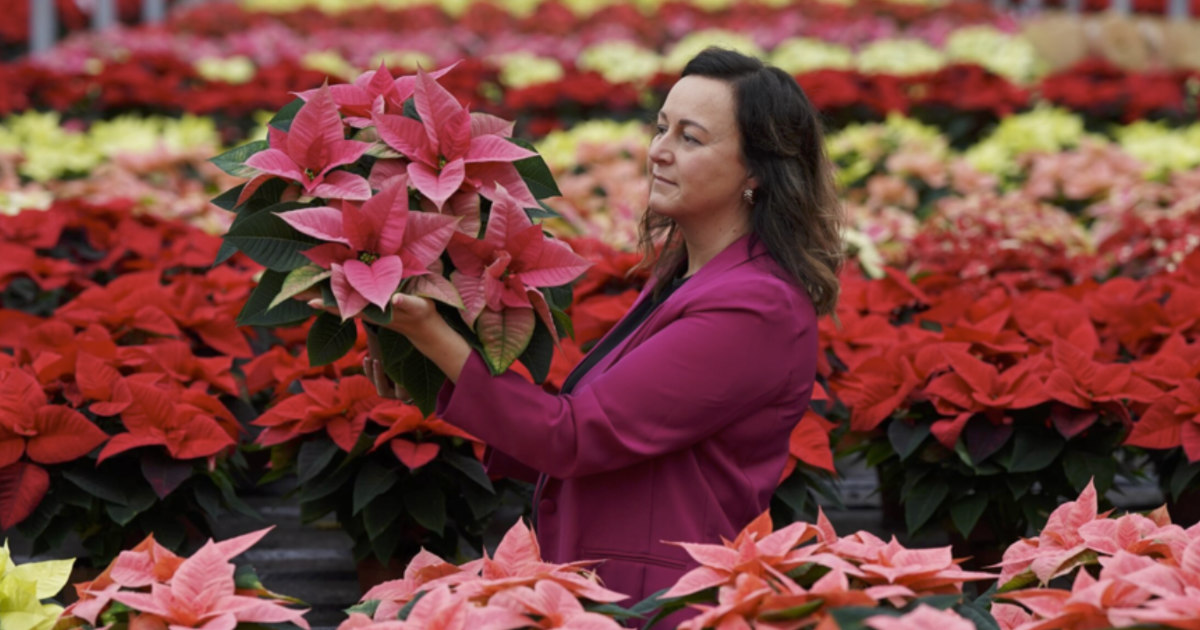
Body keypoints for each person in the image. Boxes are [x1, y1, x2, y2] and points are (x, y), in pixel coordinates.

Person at [359, 47, 845, 621]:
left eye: (690, 138)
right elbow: (596, 430)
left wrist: (431, 333)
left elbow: (572, 436)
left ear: (757, 171)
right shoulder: (689, 278)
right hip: (611, 589)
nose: (659, 151)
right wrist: (430, 369)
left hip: (654, 605)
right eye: (661, 128)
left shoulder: (753, 307)